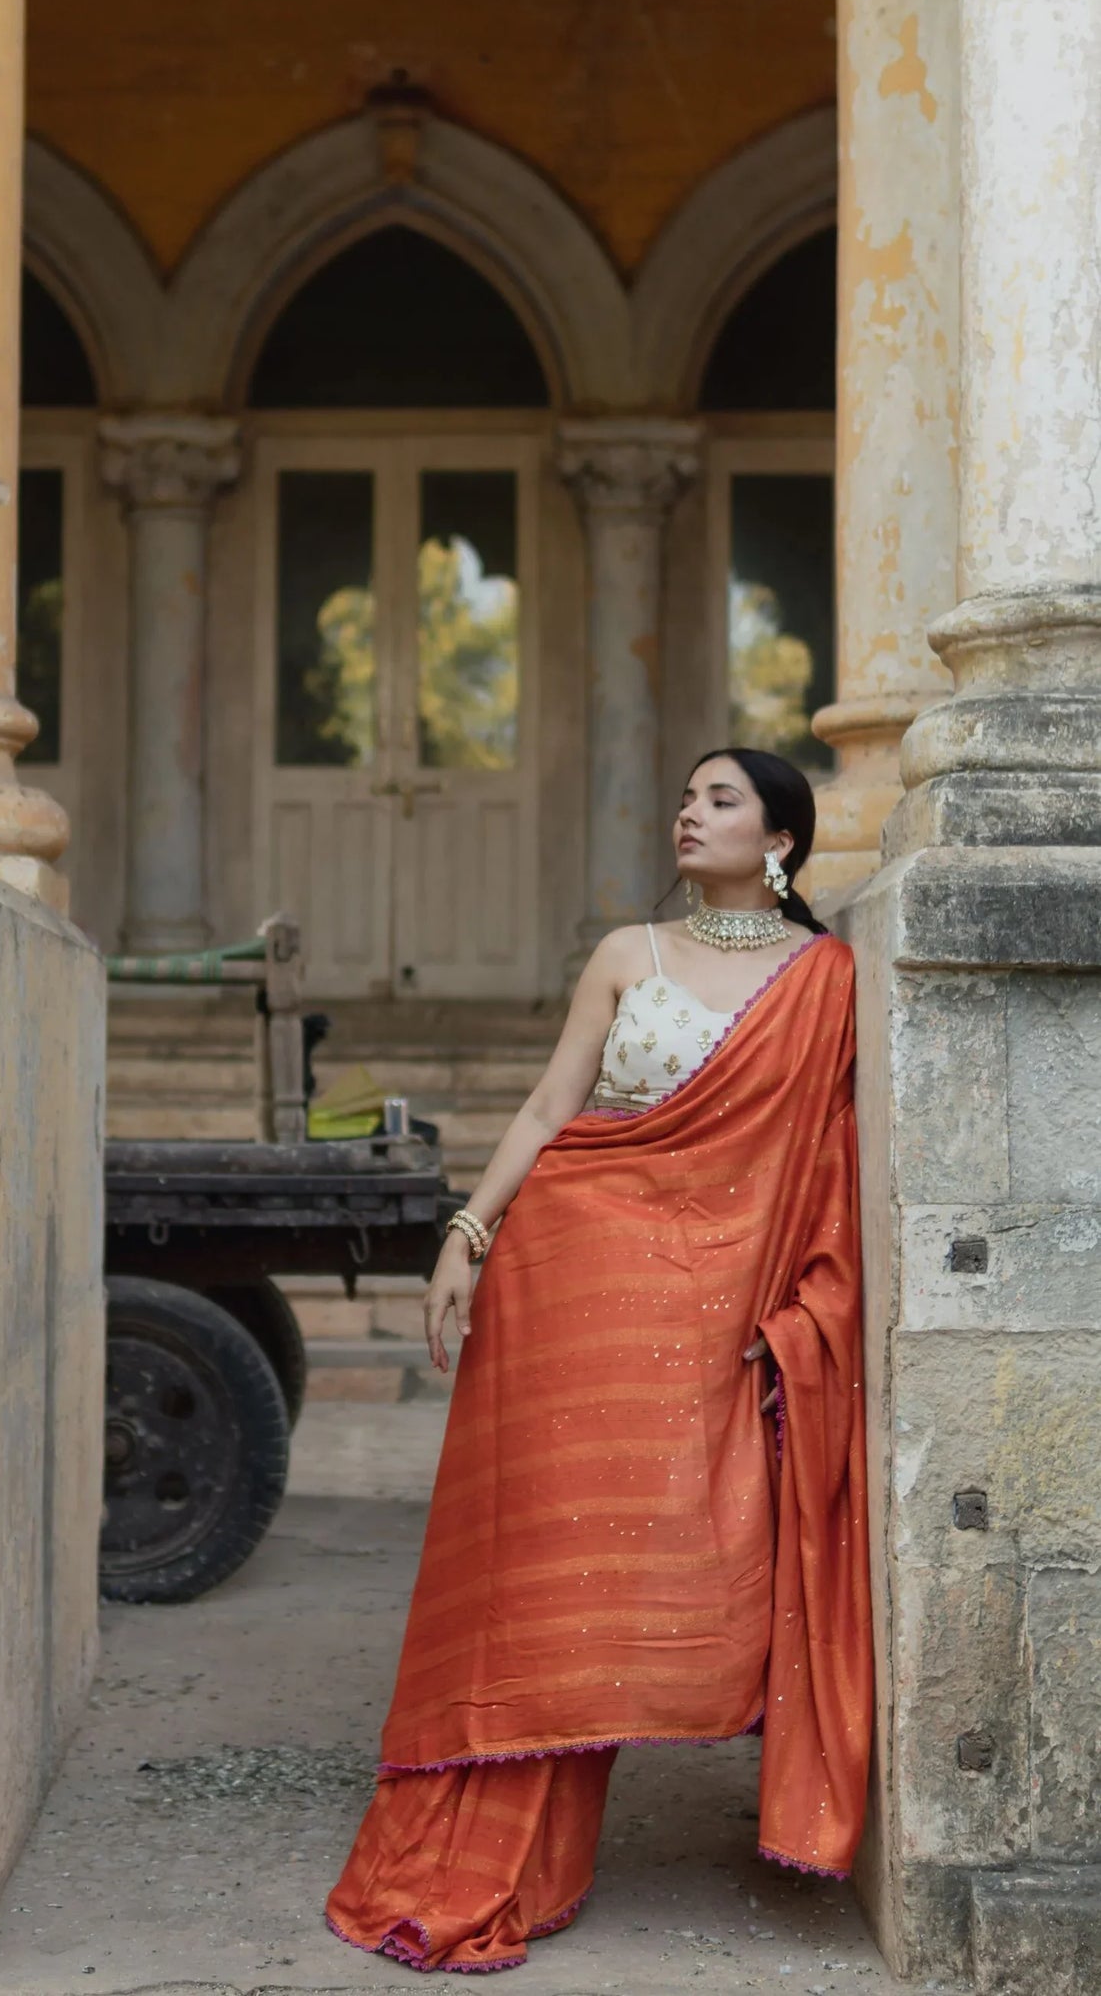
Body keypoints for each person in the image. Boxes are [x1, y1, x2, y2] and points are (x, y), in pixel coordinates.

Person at [325, 747, 872, 1974]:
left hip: (699, 1315)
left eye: (719, 797)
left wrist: (782, 1307)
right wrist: (467, 1232)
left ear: (779, 836)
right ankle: (490, 1849)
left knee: (644, 1566)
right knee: (543, 1567)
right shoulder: (627, 953)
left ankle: (538, 1843)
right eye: (685, 795)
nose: (689, 811)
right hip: (565, 1284)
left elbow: (819, 1172)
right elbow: (546, 1109)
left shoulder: (825, 980)